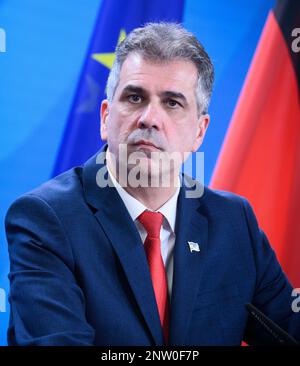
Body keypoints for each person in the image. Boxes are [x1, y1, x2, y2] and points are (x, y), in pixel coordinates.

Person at [5, 22, 300, 346]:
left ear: (199, 132)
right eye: (135, 97)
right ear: (105, 117)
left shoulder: (234, 222)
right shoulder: (46, 219)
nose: (149, 118)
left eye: (172, 103)